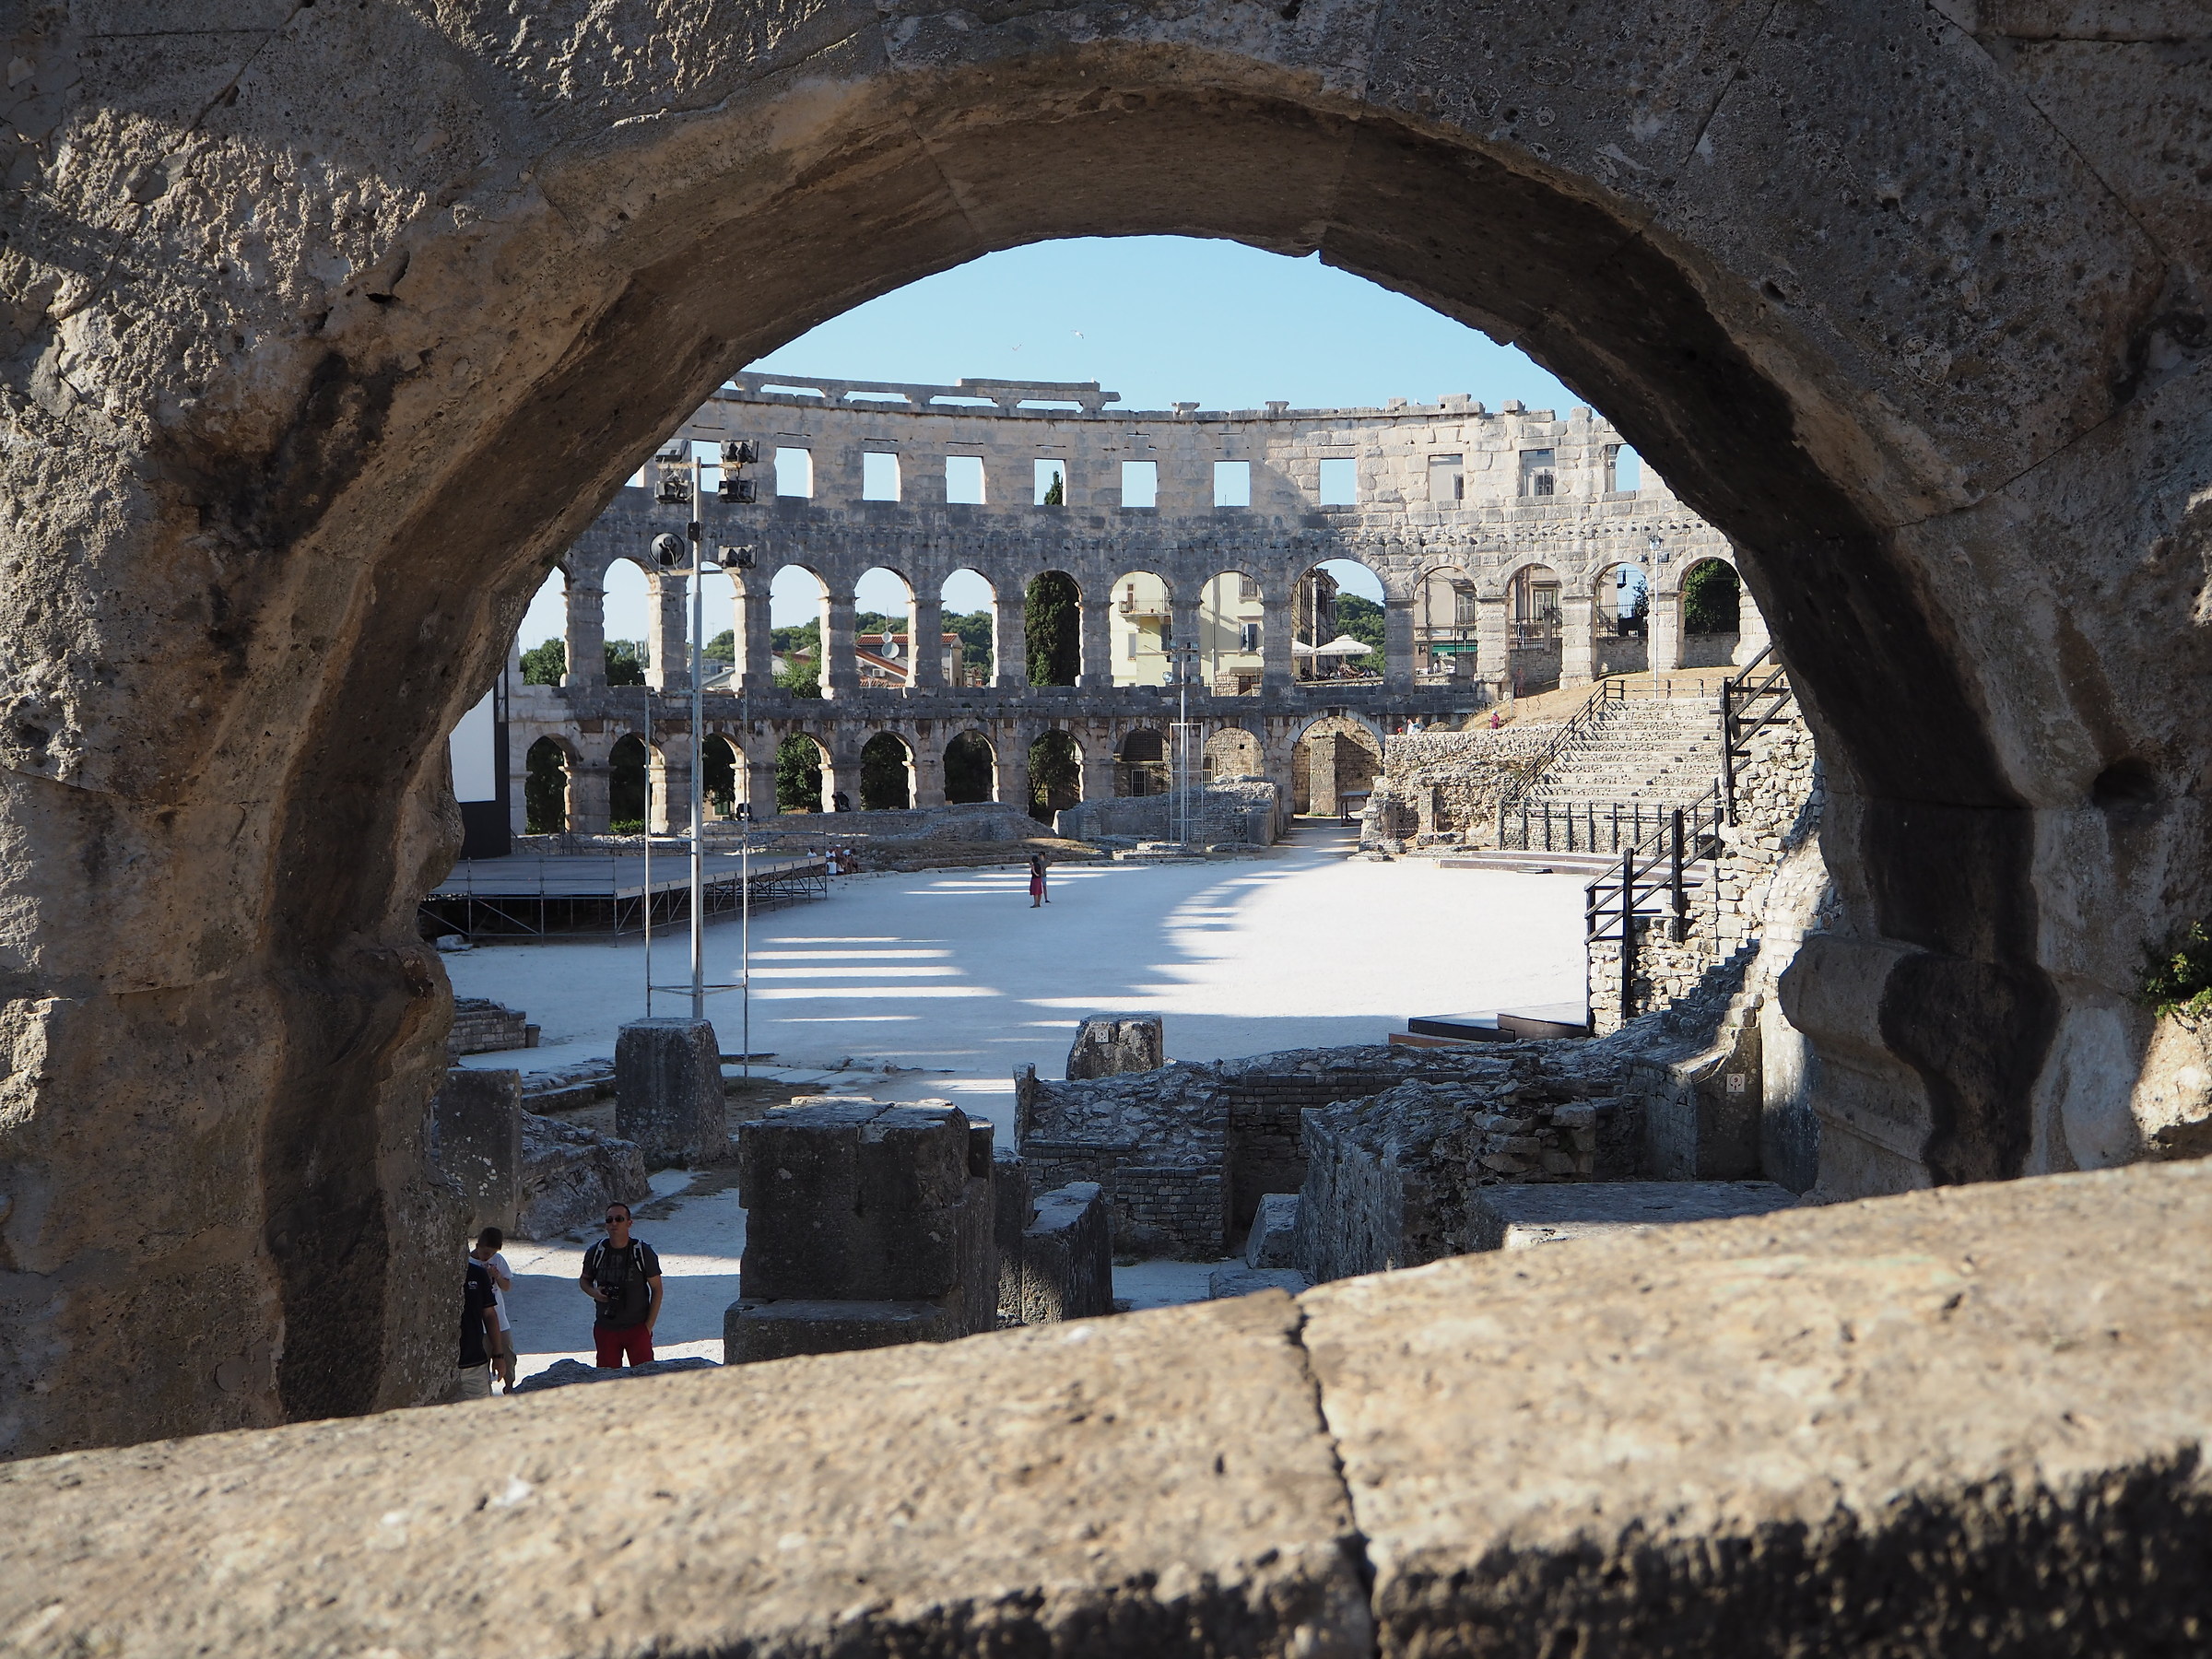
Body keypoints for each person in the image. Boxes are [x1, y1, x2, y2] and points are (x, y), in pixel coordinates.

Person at [580, 1202, 662, 1369]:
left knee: (645, 1380)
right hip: (606, 1328)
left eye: (619, 1219)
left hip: (637, 1328)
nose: (614, 1223)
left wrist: (648, 1327)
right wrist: (593, 1292)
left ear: (629, 1223)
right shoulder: (596, 1252)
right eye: (609, 1220)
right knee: (607, 1382)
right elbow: (584, 1280)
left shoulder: (642, 1252)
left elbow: (657, 1289)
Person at [469, 1227, 515, 1393]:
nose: (488, 1257)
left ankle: (510, 1388)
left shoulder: (498, 1260)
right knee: (482, 1360)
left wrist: (497, 1276)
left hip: (500, 1319)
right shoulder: (469, 1262)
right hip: (478, 1322)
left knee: (507, 1355)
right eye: (486, 1252)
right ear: (477, 1246)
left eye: (492, 1253)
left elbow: (507, 1286)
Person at [457, 1253, 500, 1400]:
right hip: (437, 1366)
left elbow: (489, 1314)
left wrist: (499, 1354)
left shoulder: (477, 1274)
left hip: (474, 1363)